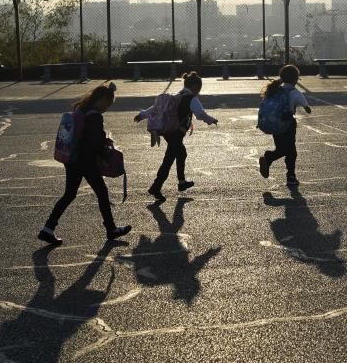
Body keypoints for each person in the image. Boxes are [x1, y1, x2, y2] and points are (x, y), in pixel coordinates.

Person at [38, 82, 131, 246]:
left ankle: (48, 228)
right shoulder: (95, 116)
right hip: (86, 161)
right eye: (107, 104)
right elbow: (95, 142)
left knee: (69, 194)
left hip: (72, 159)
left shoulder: (80, 109)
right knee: (102, 192)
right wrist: (107, 149)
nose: (107, 108)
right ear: (101, 99)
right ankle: (111, 229)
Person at [135, 71, 218, 202]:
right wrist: (211, 120)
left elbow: (156, 107)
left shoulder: (177, 95)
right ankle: (156, 186)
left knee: (181, 154)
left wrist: (142, 115)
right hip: (176, 133)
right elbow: (200, 114)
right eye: (199, 88)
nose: (199, 91)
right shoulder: (192, 98)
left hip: (168, 131)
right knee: (168, 160)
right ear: (196, 87)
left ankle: (181, 182)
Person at [258, 64, 311, 187]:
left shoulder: (276, 89)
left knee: (281, 148)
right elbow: (306, 106)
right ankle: (290, 175)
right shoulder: (294, 92)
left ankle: (269, 159)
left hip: (276, 123)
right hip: (288, 124)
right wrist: (307, 108)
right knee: (291, 151)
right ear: (296, 79)